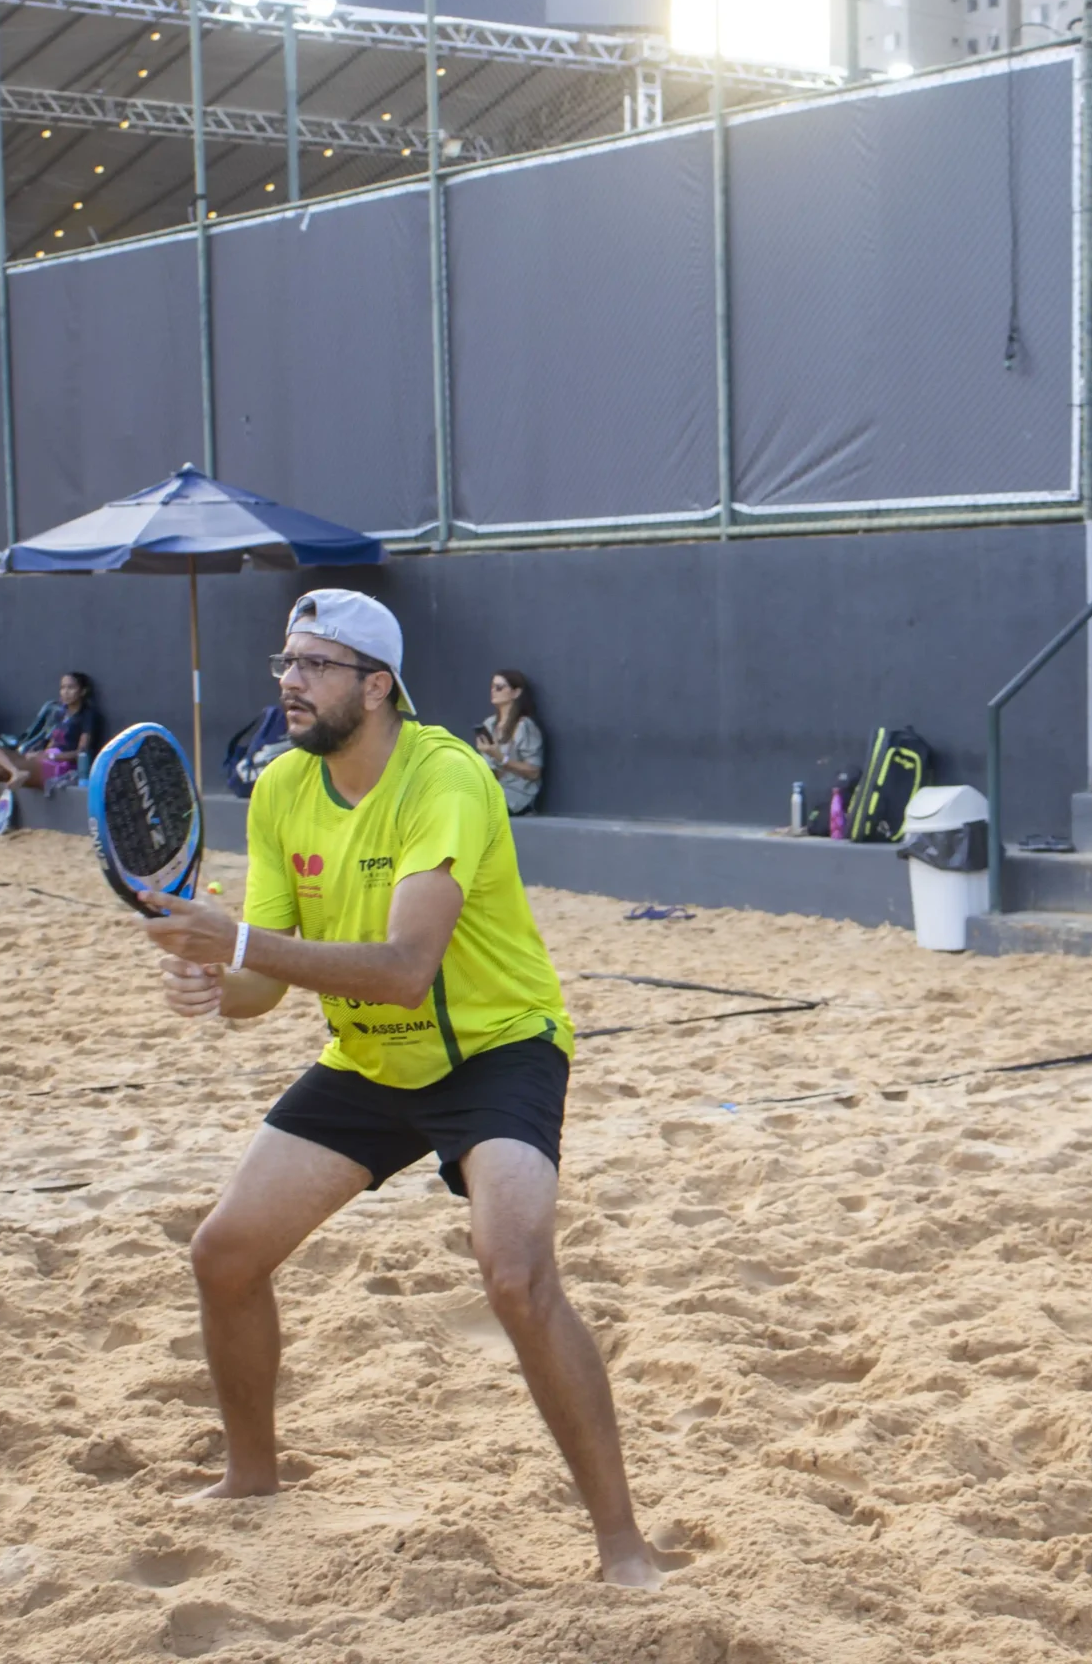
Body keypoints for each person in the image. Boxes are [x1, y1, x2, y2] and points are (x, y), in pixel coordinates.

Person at [133, 589, 675, 1589]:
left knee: (514, 1275)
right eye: (285, 662)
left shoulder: (446, 776)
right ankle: (251, 1477)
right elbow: (262, 985)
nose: (290, 681)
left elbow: (403, 968)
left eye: (315, 665)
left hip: (494, 1049)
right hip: (371, 1058)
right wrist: (213, 977)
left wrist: (238, 941)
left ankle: (623, 1548)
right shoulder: (282, 787)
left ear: (376, 686)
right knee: (223, 1253)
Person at [0, 671, 101, 842]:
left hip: (60, 766)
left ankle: (15, 773)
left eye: (71, 688)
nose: (65, 692)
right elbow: (49, 741)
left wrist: (52, 757)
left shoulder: (88, 716)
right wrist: (37, 752)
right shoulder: (59, 713)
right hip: (42, 759)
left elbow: (81, 752)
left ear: (83, 691)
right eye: (62, 688)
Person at [472, 668, 545, 816]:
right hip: (495, 790)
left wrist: (501, 758)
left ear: (516, 693)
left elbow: (534, 772)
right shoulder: (490, 724)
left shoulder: (524, 726)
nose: (493, 691)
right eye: (492, 687)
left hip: (516, 795)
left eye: (499, 687)